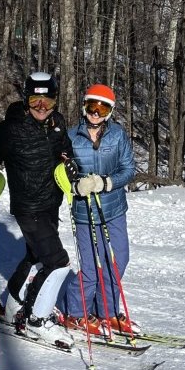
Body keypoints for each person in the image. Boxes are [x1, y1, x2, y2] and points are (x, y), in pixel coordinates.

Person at [0, 71, 74, 348]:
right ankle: (37, 320)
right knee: (57, 262)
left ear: (55, 101)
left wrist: (71, 166)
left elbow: (67, 153)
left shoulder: (58, 123)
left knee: (35, 256)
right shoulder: (10, 129)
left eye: (47, 102)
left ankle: (12, 307)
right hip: (28, 207)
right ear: (26, 100)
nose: (41, 108)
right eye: (35, 102)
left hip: (51, 203)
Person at [63, 83, 137, 336]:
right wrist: (75, 186)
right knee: (90, 269)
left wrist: (106, 183)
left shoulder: (117, 135)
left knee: (117, 261)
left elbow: (128, 169)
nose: (95, 113)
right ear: (84, 107)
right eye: (91, 106)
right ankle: (75, 313)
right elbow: (60, 174)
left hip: (113, 209)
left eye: (102, 108)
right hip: (85, 212)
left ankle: (106, 311)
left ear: (110, 111)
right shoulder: (70, 137)